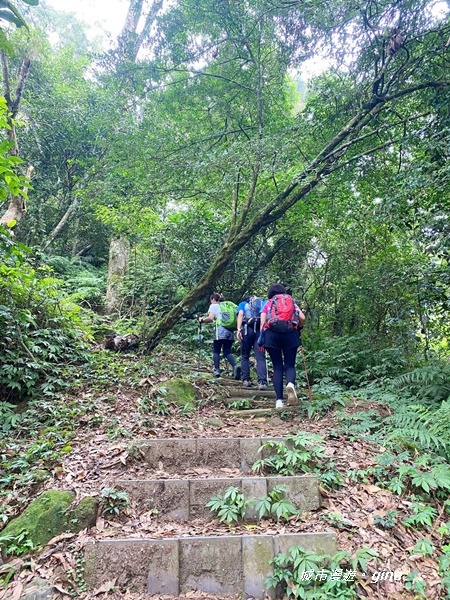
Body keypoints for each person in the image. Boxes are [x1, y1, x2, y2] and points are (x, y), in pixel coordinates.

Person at [258, 284, 306, 408]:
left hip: (272, 336)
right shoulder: (291, 302)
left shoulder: (268, 303)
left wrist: (261, 340)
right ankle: (290, 384)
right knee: (290, 365)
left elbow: (263, 323)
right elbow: (302, 318)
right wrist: (299, 327)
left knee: (277, 367)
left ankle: (279, 400)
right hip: (290, 335)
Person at [199, 293, 241, 379]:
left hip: (220, 330)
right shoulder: (228, 306)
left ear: (213, 299)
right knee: (227, 351)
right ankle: (235, 366)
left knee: (216, 350)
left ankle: (217, 370)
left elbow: (210, 318)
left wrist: (202, 320)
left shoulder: (214, 306)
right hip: (230, 331)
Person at [236, 296, 268, 390]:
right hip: (259, 330)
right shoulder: (263, 302)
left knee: (245, 356)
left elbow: (241, 314)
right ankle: (262, 382)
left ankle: (246, 380)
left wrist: (238, 330)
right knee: (260, 357)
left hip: (247, 330)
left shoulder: (243, 304)